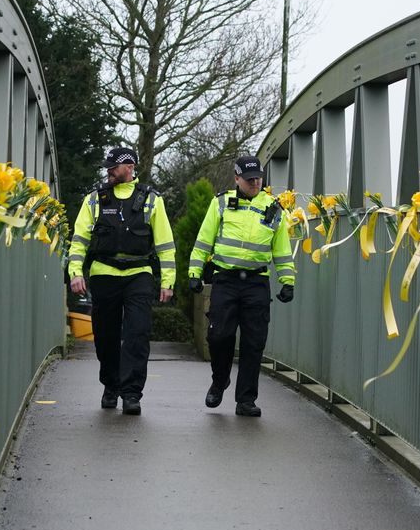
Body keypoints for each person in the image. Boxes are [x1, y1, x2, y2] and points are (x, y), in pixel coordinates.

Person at [67, 147, 175, 415]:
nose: (108, 172)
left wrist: (168, 281)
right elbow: (79, 240)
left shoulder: (152, 200)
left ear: (130, 167)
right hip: (104, 274)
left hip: (139, 274)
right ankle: (111, 386)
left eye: (113, 167)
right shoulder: (95, 199)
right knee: (106, 336)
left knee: (137, 334)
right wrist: (75, 272)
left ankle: (131, 393)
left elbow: (165, 244)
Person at [187, 155, 295, 417]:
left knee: (253, 343)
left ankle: (246, 400)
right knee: (218, 336)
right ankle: (220, 379)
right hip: (226, 280)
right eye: (249, 179)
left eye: (258, 178)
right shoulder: (221, 203)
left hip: (256, 282)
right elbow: (204, 240)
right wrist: (194, 272)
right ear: (237, 179)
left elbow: (281, 250)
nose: (255, 183)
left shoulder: (273, 208)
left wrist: (287, 280)